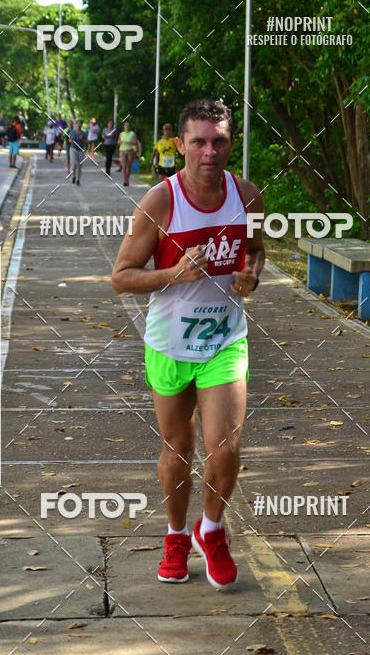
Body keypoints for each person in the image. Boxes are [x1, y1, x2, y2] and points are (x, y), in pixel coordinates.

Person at [111, 99, 265, 588]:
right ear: (180, 146)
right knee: (178, 449)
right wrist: (173, 274)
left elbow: (257, 252)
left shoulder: (249, 197)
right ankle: (177, 536)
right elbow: (121, 277)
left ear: (230, 143)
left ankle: (212, 530)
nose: (209, 151)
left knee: (226, 446)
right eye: (198, 141)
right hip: (169, 345)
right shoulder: (160, 202)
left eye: (218, 141)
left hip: (224, 341)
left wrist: (251, 278)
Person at [118, 120, 139, 186]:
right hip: (122, 150)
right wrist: (119, 142)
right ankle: (125, 180)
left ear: (129, 127)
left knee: (129, 166)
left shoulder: (132, 133)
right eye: (125, 125)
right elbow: (118, 142)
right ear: (124, 126)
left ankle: (127, 179)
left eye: (128, 125)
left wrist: (129, 143)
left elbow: (136, 143)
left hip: (130, 151)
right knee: (124, 166)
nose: (126, 126)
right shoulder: (121, 134)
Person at [68, 119, 87, 185]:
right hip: (73, 149)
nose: (79, 125)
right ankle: (73, 176)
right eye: (78, 123)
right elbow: (69, 140)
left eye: (80, 124)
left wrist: (83, 139)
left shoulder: (84, 133)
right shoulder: (72, 132)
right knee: (74, 164)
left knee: (80, 166)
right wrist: (71, 140)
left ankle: (78, 179)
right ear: (75, 124)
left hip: (81, 150)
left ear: (82, 125)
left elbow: (87, 142)